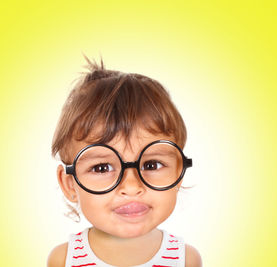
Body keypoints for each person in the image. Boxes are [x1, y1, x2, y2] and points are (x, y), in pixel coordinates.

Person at [47, 56, 202, 267]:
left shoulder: (187, 260)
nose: (131, 187)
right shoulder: (62, 260)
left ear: (178, 172)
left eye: (151, 165)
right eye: (102, 167)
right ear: (69, 184)